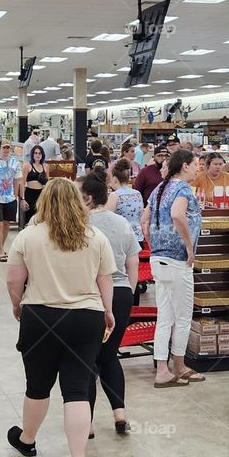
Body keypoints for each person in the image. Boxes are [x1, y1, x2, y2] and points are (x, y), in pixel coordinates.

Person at [5, 178, 115, 457]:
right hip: (85, 318)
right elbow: (105, 279)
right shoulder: (95, 236)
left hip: (40, 317)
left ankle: (27, 440)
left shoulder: (28, 237)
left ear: (43, 202)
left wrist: (18, 306)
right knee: (77, 389)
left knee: (37, 386)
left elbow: (14, 280)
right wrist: (108, 310)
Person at [81, 169, 138, 436]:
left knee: (87, 359)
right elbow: (132, 261)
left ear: (89, 198)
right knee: (110, 355)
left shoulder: (81, 225)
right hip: (122, 293)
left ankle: (88, 423)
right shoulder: (122, 223)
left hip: (90, 295)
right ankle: (120, 415)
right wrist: (129, 290)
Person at [140, 148, 202, 387]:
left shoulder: (159, 188)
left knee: (165, 316)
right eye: (195, 164)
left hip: (158, 259)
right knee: (183, 316)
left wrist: (154, 241)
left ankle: (163, 369)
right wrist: (188, 246)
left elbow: (144, 219)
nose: (198, 168)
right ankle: (179, 365)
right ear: (185, 166)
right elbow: (178, 215)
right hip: (177, 260)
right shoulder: (182, 189)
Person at [107, 158, 144, 244]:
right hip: (138, 239)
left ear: (115, 179)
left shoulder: (115, 196)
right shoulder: (137, 194)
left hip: (121, 240)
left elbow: (106, 218)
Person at [22, 145, 48, 224]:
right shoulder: (27, 166)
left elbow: (48, 182)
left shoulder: (45, 166)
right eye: (35, 153)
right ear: (32, 154)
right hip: (30, 193)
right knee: (30, 217)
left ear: (42, 155)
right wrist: (22, 198)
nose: (37, 155)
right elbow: (23, 183)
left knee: (41, 216)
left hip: (41, 194)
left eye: (39, 153)